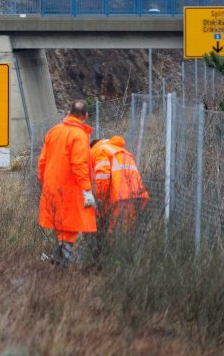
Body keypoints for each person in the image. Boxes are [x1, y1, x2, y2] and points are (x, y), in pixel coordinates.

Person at [38, 100, 97, 266]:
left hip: (52, 187)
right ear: (85, 116)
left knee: (63, 225)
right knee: (71, 224)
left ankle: (60, 260)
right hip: (70, 189)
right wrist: (87, 191)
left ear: (69, 112)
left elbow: (42, 161)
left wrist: (44, 182)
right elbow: (79, 165)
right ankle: (65, 261)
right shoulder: (79, 136)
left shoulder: (54, 131)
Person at [90, 136, 149, 233]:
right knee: (128, 233)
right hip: (136, 195)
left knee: (116, 235)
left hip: (121, 197)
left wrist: (100, 200)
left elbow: (102, 178)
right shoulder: (120, 150)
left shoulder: (99, 151)